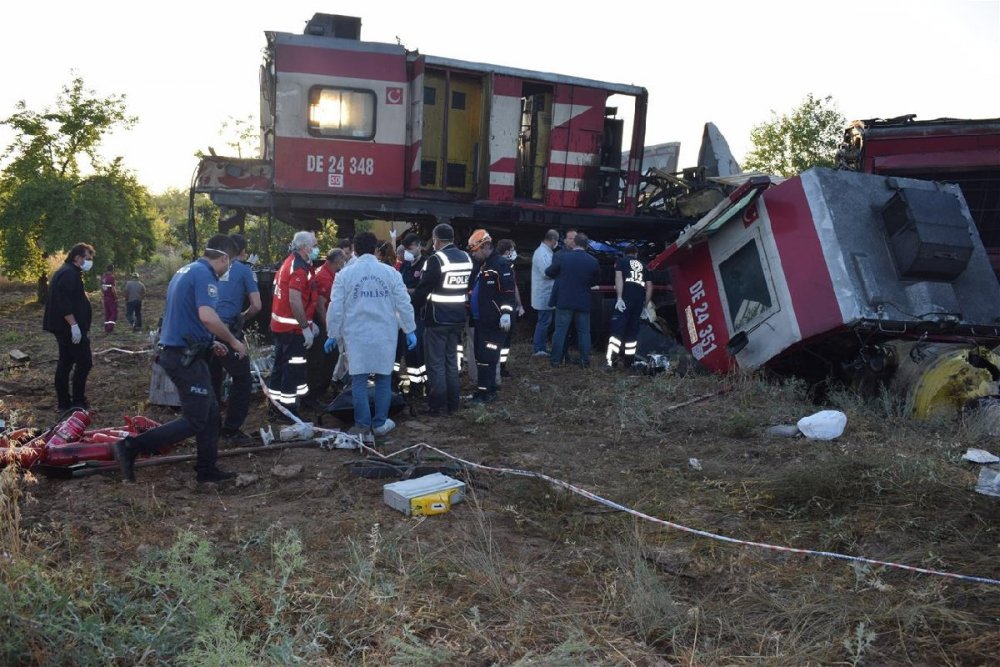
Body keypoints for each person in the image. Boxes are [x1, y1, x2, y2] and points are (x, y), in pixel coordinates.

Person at [112, 235, 246, 484]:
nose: (230, 268)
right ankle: (131, 446)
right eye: (232, 262)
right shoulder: (206, 276)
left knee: (211, 411)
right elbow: (207, 316)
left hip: (186, 352)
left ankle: (207, 470)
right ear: (225, 257)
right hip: (182, 357)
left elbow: (185, 315)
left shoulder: (186, 271)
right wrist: (233, 341)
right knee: (196, 418)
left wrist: (209, 342)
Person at [325, 232, 416, 441]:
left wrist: (332, 334)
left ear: (354, 250)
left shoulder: (345, 275)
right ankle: (380, 423)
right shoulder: (390, 273)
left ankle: (363, 425)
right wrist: (409, 329)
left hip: (357, 335)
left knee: (359, 379)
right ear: (376, 249)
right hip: (385, 333)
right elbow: (403, 303)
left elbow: (336, 307)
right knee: (384, 378)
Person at [412, 223, 472, 416]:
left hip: (437, 318)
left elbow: (424, 289)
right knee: (451, 362)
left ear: (437, 240)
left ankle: (437, 405)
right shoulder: (466, 258)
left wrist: (412, 306)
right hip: (457, 318)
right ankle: (453, 403)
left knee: (436, 363)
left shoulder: (436, 259)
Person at [209, 234, 261, 443]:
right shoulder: (244, 270)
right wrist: (243, 317)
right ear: (241, 252)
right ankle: (231, 429)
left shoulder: (206, 267)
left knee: (213, 379)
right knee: (242, 378)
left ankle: (211, 427)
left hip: (204, 329)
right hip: (226, 330)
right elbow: (257, 305)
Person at [269, 231, 319, 417]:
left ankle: (275, 406)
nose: (315, 248)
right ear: (305, 247)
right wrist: (305, 327)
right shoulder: (298, 268)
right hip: (292, 329)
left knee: (280, 367)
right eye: (313, 245)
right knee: (292, 368)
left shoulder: (290, 263)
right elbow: (295, 300)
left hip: (282, 326)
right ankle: (287, 410)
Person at [43, 242, 96, 411]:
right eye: (87, 258)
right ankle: (77, 401)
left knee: (66, 362)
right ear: (77, 257)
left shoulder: (69, 272)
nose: (89, 261)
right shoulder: (69, 274)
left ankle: (65, 402)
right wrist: (74, 325)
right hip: (68, 329)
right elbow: (63, 302)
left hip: (66, 327)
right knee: (84, 362)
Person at [467, 230, 515, 403]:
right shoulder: (485, 264)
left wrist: (506, 314)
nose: (474, 254)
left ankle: (484, 393)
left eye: (476, 250)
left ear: (486, 246)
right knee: (481, 357)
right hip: (482, 321)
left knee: (487, 358)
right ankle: (487, 391)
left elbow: (508, 292)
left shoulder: (500, 264)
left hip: (494, 322)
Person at [546, 232, 599, 367]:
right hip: (583, 302)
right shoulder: (593, 261)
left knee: (560, 331)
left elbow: (549, 272)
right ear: (586, 246)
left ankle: (555, 361)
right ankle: (585, 361)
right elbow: (595, 282)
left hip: (564, 300)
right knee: (584, 332)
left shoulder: (563, 258)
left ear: (574, 243)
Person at [606, 244, 653, 368]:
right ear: (636, 254)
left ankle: (611, 362)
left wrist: (620, 298)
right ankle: (629, 363)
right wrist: (645, 305)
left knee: (617, 331)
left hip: (625, 301)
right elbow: (649, 287)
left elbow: (618, 278)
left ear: (625, 253)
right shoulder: (644, 265)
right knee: (632, 334)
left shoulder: (621, 261)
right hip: (638, 303)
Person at [309, 247, 347, 398]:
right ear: (337, 261)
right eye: (342, 261)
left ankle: (321, 389)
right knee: (327, 357)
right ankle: (318, 391)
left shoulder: (327, 272)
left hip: (324, 320)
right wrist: (330, 329)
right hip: (323, 321)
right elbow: (321, 306)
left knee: (328, 357)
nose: (344, 264)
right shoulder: (324, 277)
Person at [395, 233, 427, 395]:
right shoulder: (405, 265)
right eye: (406, 249)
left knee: (417, 351)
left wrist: (405, 291)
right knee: (405, 352)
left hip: (418, 313)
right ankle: (412, 386)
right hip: (403, 313)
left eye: (410, 248)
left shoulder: (425, 264)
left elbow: (422, 290)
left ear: (419, 246)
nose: (408, 251)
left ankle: (423, 386)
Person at [495, 238, 525, 378]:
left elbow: (514, 287)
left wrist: (519, 304)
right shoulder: (504, 266)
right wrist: (518, 305)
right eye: (512, 250)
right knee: (504, 340)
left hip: (503, 307)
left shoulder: (496, 264)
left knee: (503, 340)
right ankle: (500, 367)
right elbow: (512, 288)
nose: (514, 253)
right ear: (507, 251)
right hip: (506, 308)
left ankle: (500, 367)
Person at [530, 229, 559, 357]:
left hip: (546, 293)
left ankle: (541, 346)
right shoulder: (542, 253)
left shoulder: (545, 252)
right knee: (543, 321)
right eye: (556, 240)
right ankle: (539, 348)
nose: (557, 243)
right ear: (552, 240)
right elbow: (547, 273)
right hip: (544, 293)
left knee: (544, 321)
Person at [101, 263, 118, 333]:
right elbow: (113, 289)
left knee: (107, 313)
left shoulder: (103, 277)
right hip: (111, 298)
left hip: (105, 297)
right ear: (113, 269)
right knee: (114, 313)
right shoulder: (111, 277)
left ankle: (106, 328)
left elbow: (102, 288)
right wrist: (116, 296)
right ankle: (109, 327)